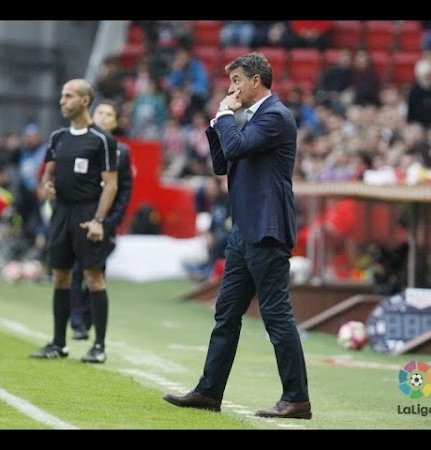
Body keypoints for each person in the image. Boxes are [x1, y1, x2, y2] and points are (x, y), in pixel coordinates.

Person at [163, 52, 311, 419]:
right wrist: (217, 123)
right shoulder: (252, 119)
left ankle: (297, 398)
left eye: (237, 81)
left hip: (267, 229)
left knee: (276, 316)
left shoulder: (276, 116)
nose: (231, 89)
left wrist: (226, 117)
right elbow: (221, 163)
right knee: (226, 314)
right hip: (245, 231)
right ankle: (209, 391)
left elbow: (236, 148)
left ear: (256, 81)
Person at [29, 79, 118, 363]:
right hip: (61, 213)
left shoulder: (101, 139)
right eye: (62, 95)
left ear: (84, 101)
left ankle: (99, 346)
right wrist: (47, 186)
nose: (61, 101)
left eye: (68, 96)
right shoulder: (57, 137)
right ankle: (58, 342)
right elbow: (48, 174)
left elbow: (112, 185)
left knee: (93, 276)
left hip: (87, 213)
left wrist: (98, 220)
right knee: (60, 276)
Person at [70, 98, 134, 341]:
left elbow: (125, 189)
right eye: (100, 112)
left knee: (95, 272)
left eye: (109, 114)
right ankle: (76, 320)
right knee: (74, 270)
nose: (103, 117)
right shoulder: (78, 143)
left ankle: (87, 318)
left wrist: (111, 220)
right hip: (77, 218)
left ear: (116, 122)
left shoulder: (122, 152)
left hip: (104, 222)